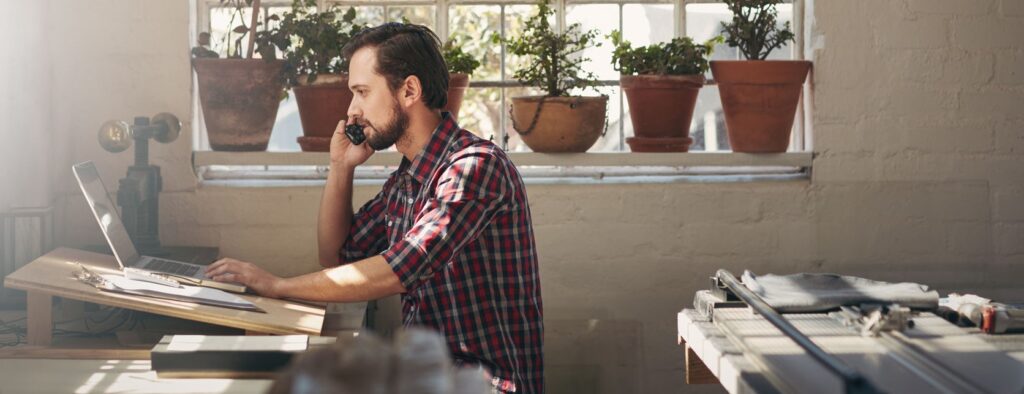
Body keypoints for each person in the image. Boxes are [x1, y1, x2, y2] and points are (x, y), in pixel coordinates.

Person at [205, 22, 544, 393]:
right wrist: (340, 167)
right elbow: (336, 256)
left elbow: (401, 268)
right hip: (429, 377)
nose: (352, 109)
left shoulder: (474, 167)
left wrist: (278, 286)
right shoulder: (407, 180)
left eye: (362, 92)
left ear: (409, 90)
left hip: (484, 383)